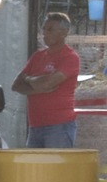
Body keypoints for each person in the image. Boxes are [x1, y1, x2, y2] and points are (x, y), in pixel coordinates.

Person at [11, 11, 81, 147]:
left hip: (59, 126)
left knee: (55, 161)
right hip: (35, 125)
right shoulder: (38, 56)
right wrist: (38, 87)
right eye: (44, 29)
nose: (44, 33)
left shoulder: (70, 57)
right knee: (35, 162)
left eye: (50, 29)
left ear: (64, 32)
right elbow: (16, 85)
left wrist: (29, 79)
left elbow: (48, 83)